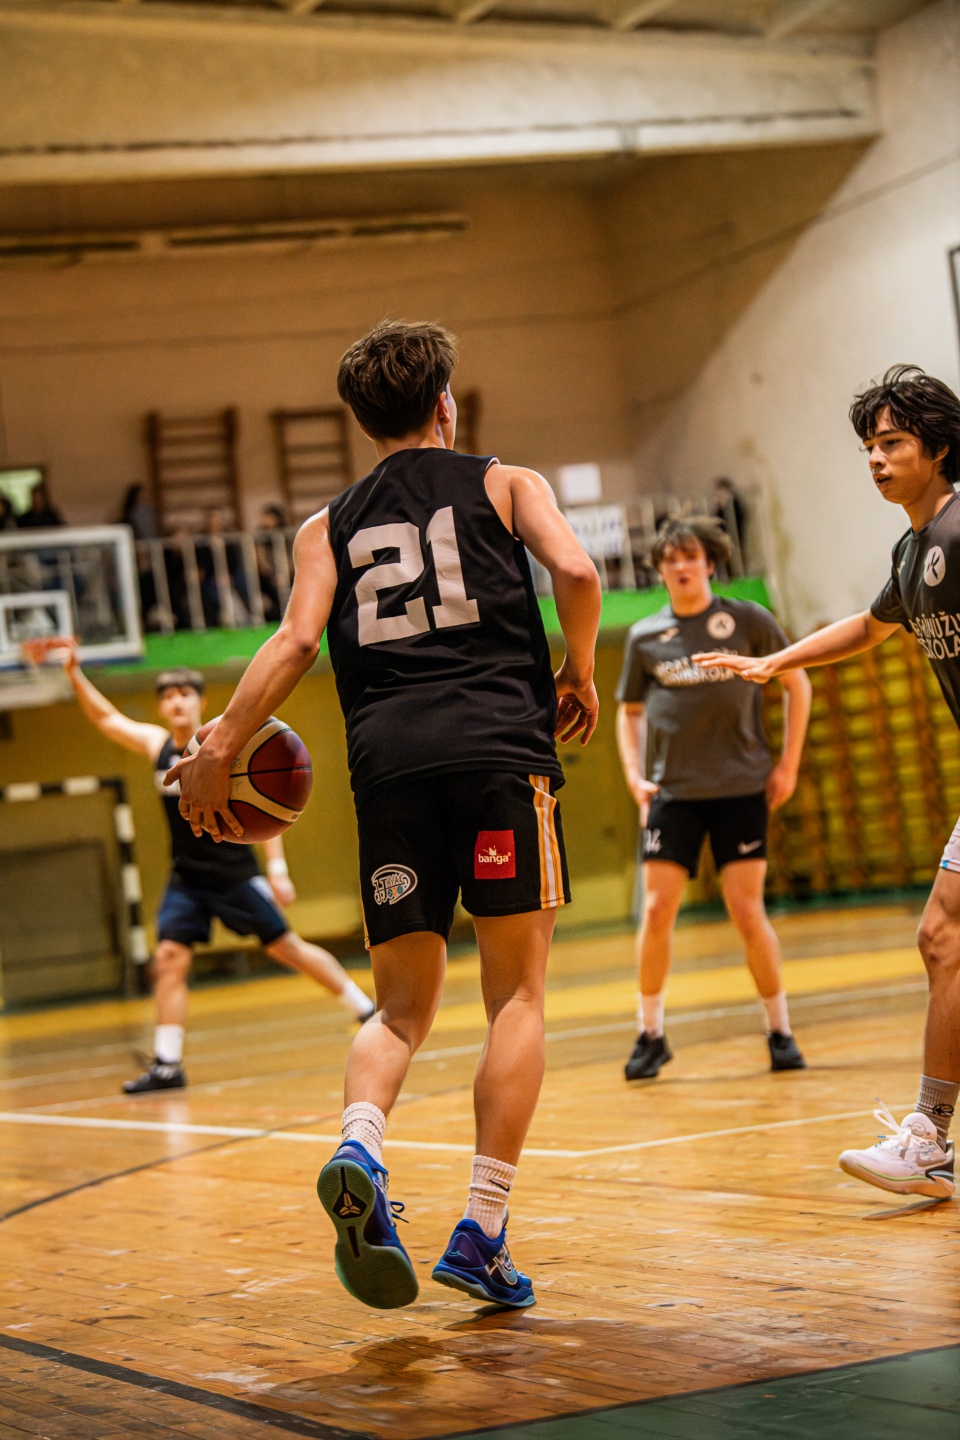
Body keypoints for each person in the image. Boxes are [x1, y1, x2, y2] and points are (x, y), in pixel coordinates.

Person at [170, 320, 601, 1311]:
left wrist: (221, 745)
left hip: (388, 769)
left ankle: (361, 1146)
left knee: (400, 1008)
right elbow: (578, 575)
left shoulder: (324, 526)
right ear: (446, 403)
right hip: (500, 754)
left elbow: (295, 642)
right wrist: (577, 670)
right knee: (517, 997)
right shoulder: (506, 484)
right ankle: (481, 1231)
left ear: (361, 423)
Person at [695, 365, 960, 1202]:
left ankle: (929, 1136)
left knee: (944, 935)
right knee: (944, 938)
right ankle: (930, 1138)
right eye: (869, 447)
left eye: (893, 443)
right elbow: (871, 626)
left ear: (939, 449)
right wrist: (775, 660)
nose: (876, 459)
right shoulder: (914, 550)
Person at [25, 641, 375, 1092]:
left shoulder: (222, 746)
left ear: (200, 701)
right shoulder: (157, 745)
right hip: (187, 877)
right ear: (161, 706)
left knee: (286, 948)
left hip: (234, 872)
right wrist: (74, 674)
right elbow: (107, 719)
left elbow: (265, 811)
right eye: (168, 696)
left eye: (184, 694)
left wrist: (277, 869)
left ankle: (365, 1009)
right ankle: (168, 1065)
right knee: (169, 959)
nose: (176, 702)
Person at [616, 516, 812, 1081]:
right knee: (657, 910)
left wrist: (788, 764)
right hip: (673, 793)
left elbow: (797, 683)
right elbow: (629, 713)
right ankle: (650, 1034)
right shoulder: (645, 638)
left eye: (690, 556)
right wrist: (634, 775)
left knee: (746, 910)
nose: (681, 566)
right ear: (659, 570)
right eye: (670, 558)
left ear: (709, 563)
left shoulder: (747, 619)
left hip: (741, 789)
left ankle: (780, 1031)